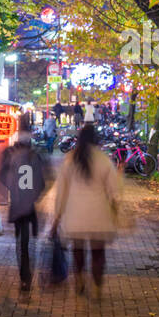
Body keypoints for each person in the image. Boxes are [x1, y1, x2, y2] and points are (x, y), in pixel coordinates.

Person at [52, 122, 120, 300]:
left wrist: (57, 218)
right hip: (99, 215)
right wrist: (115, 211)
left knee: (78, 252)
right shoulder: (103, 159)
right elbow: (114, 191)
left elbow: (61, 192)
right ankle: (97, 286)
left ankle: (80, 279)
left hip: (76, 217)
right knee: (98, 254)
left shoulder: (70, 160)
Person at [0, 113, 51, 297]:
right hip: (31, 207)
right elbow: (43, 182)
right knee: (30, 244)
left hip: (17, 205)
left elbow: (3, 176)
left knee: (21, 243)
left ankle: (24, 276)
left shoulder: (11, 154)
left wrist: (13, 188)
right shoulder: (35, 156)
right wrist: (35, 195)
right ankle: (28, 276)